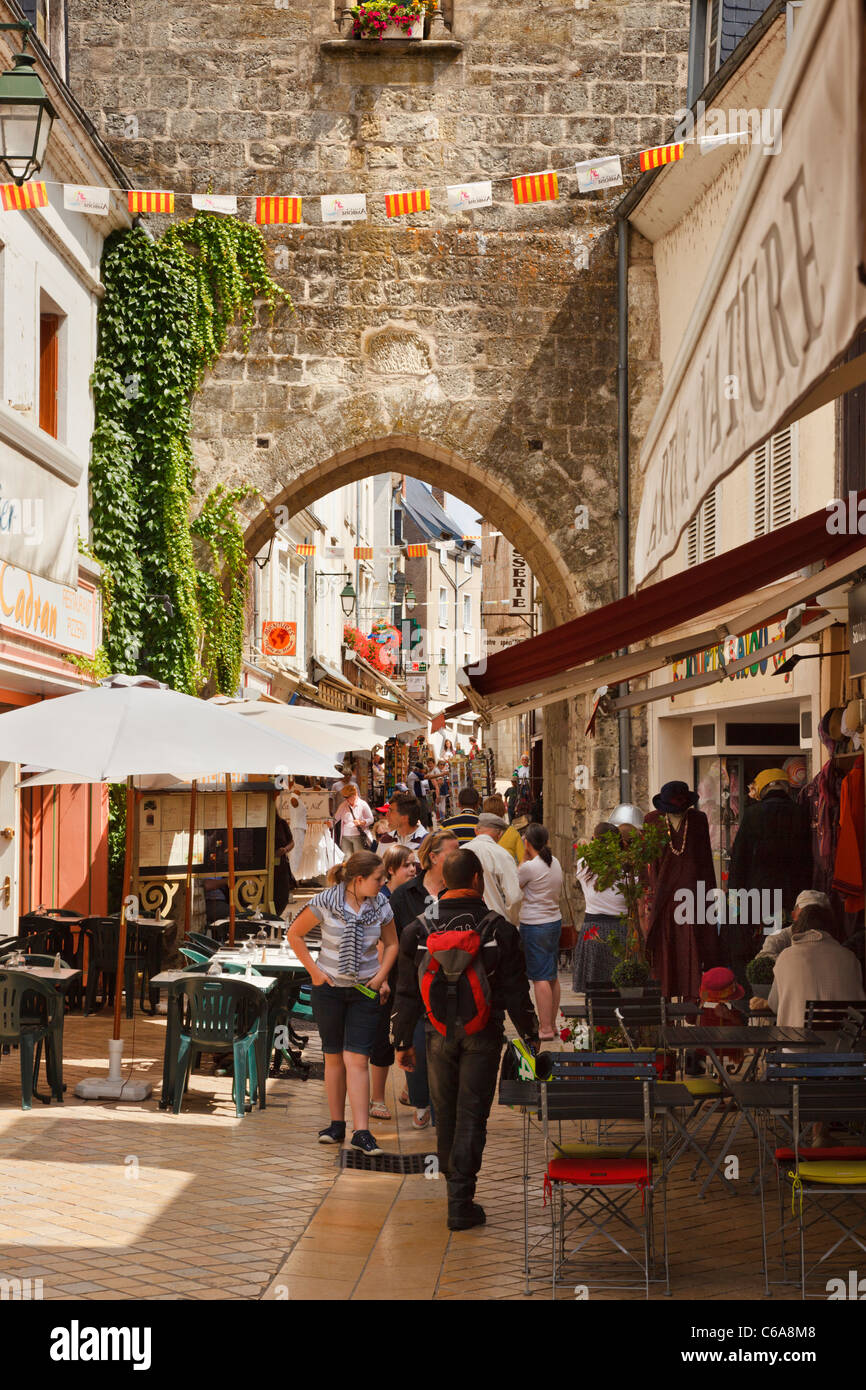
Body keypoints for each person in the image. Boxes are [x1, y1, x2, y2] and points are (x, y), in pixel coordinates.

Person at [394, 848, 539, 1230]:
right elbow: (515, 991)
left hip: (436, 1034)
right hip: (483, 1033)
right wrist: (531, 1035)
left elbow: (406, 992)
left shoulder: (418, 929)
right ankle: (462, 1200)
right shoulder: (500, 929)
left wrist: (401, 1042)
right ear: (477, 881)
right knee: (473, 1114)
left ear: (444, 882)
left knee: (447, 1117)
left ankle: (452, 1194)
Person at [288, 852, 398, 1155]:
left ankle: (361, 1130)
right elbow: (294, 934)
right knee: (333, 1056)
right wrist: (316, 972)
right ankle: (336, 1125)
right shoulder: (326, 901)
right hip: (330, 990)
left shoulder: (381, 905)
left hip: (365, 991)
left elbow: (392, 944)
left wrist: (381, 977)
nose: (383, 883)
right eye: (378, 878)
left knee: (357, 1058)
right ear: (359, 880)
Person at [389, 829, 460, 1129]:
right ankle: (421, 1100)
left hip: (450, 981)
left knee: (446, 1046)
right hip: (413, 981)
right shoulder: (406, 895)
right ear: (433, 857)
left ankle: (442, 1104)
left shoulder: (459, 891)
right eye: (452, 852)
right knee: (415, 1040)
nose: (458, 858)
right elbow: (391, 939)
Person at [727, 766, 813, 988]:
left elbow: (739, 863)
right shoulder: (801, 814)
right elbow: (808, 860)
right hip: (793, 898)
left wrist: (735, 907)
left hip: (759, 898)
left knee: (763, 950)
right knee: (789, 948)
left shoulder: (753, 815)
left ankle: (762, 995)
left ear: (763, 789)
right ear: (786, 787)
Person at [644, 781, 719, 1000]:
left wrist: (708, 897)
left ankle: (691, 1001)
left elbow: (705, 859)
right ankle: (665, 998)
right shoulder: (653, 821)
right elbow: (648, 861)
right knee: (666, 947)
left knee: (691, 945)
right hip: (664, 896)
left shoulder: (697, 820)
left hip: (692, 895)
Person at [369, 845, 418, 1121]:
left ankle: (411, 1090)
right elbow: (381, 941)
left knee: (408, 1036)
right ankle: (377, 1099)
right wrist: (383, 978)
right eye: (406, 865)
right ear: (391, 870)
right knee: (383, 1039)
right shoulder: (383, 899)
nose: (412, 869)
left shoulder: (412, 896)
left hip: (407, 978)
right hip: (385, 979)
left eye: (414, 865)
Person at [758, 903, 865, 1028]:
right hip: (844, 1043)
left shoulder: (786, 957)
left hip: (798, 1044)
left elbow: (774, 1005)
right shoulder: (850, 957)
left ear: (798, 927)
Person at [517, 823, 563, 1040]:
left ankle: (544, 1027)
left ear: (527, 842)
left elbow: (516, 884)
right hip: (553, 921)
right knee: (551, 975)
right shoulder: (555, 863)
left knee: (540, 977)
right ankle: (552, 1024)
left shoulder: (530, 867)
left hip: (535, 924)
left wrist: (522, 861)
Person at [573, 822, 629, 992]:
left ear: (595, 841)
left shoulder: (584, 865)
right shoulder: (628, 868)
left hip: (593, 930)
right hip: (621, 930)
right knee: (624, 990)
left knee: (595, 992)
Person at [466, 812, 522, 926]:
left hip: (467, 923)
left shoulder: (461, 852)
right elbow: (515, 896)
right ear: (499, 834)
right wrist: (512, 921)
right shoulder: (502, 855)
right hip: (496, 925)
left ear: (476, 831)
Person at [754, 889, 832, 962]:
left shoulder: (832, 940)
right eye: (805, 913)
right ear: (793, 915)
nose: (810, 919)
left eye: (817, 914)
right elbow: (762, 959)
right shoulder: (779, 938)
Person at [293, 780, 342, 884]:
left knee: (320, 852)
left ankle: (319, 878)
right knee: (310, 852)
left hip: (318, 827)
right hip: (309, 827)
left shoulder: (323, 796)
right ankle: (307, 879)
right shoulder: (303, 794)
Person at [333, 782, 375, 856]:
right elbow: (335, 819)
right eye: (344, 797)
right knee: (346, 858)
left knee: (359, 857)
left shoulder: (362, 804)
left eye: (347, 797)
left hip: (358, 835)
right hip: (345, 836)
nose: (346, 799)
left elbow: (371, 819)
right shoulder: (343, 805)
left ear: (354, 795)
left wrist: (362, 822)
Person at [484, 794, 524, 864]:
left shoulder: (480, 832)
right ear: (503, 811)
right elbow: (522, 859)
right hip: (509, 873)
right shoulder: (513, 832)